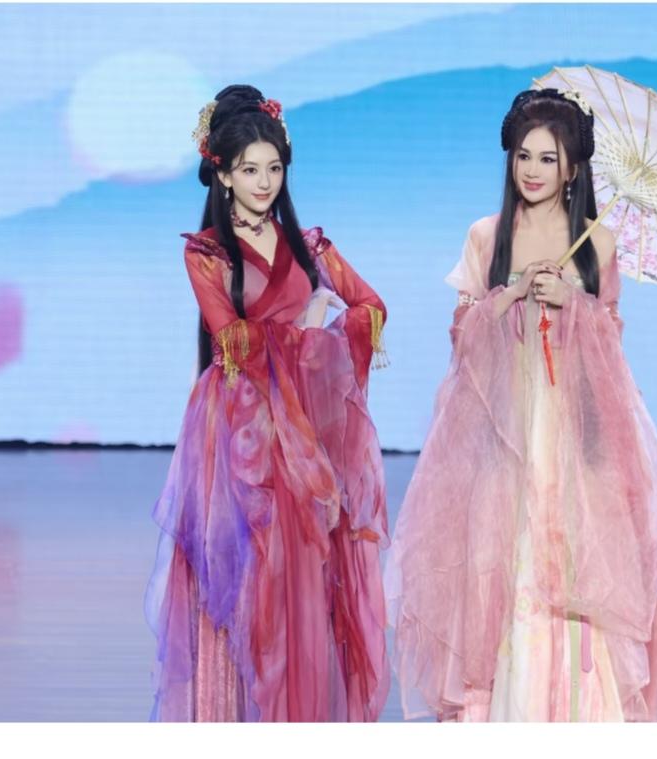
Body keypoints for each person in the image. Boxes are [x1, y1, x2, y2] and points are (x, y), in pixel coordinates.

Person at [385, 88, 657, 722]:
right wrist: (513, 294)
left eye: (548, 159)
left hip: (575, 432)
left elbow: (610, 345)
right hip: (502, 431)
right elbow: (462, 340)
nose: (532, 170)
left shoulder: (597, 243)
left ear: (572, 168)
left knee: (576, 563)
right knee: (504, 561)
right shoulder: (486, 236)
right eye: (523, 156)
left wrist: (571, 303)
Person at [145, 85, 390, 722]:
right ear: (223, 173)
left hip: (305, 425)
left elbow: (370, 308)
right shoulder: (207, 253)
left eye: (274, 169)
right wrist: (308, 323)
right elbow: (230, 339)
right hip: (240, 429)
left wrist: (334, 326)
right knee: (252, 574)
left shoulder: (310, 245)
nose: (264, 182)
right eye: (249, 169)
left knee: (305, 572)